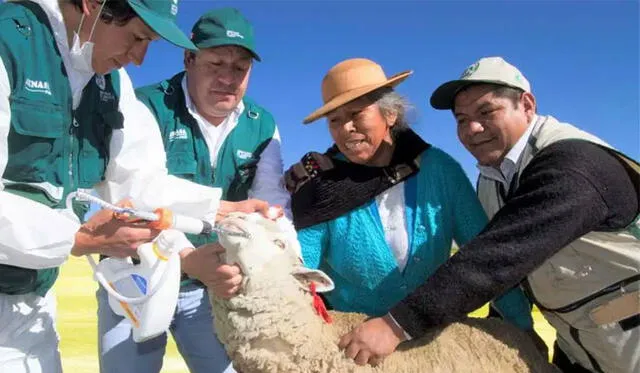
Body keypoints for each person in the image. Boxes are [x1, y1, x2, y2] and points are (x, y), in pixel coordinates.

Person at [0, 1, 268, 372]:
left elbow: (139, 180)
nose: (140, 58)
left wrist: (220, 209)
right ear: (95, 5)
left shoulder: (110, 81)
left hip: (31, 305)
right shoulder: (8, 42)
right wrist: (77, 238)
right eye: (138, 37)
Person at [338, 56, 640, 373]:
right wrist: (508, 331)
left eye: (486, 112)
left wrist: (395, 326)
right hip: (583, 349)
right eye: (461, 119)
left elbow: (498, 257)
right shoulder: (493, 179)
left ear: (526, 104)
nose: (473, 129)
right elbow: (511, 271)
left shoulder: (572, 165)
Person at [285, 57, 537, 361]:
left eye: (356, 113)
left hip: (433, 352)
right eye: (334, 120)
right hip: (354, 353)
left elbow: (484, 255)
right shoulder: (319, 188)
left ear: (390, 114)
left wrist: (522, 328)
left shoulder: (441, 171)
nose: (346, 129)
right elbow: (299, 277)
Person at [96, 7, 298, 373]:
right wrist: (187, 258)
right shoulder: (145, 105)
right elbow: (136, 194)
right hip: (136, 279)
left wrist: (292, 262)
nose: (228, 78)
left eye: (240, 68)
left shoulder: (263, 125)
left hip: (211, 291)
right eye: (216, 63)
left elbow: (272, 204)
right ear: (189, 58)